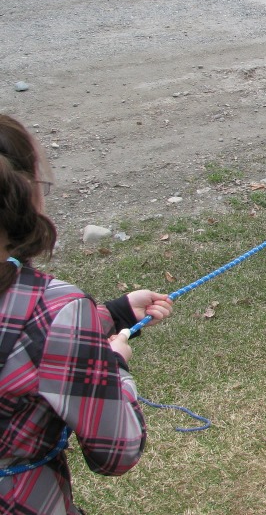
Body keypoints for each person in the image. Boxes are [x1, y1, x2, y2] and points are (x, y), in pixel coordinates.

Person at [0, 114, 173, 514]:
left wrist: (112, 315)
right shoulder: (54, 309)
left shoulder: (55, 315)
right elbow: (116, 450)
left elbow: (26, 343)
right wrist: (114, 366)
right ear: (24, 195)